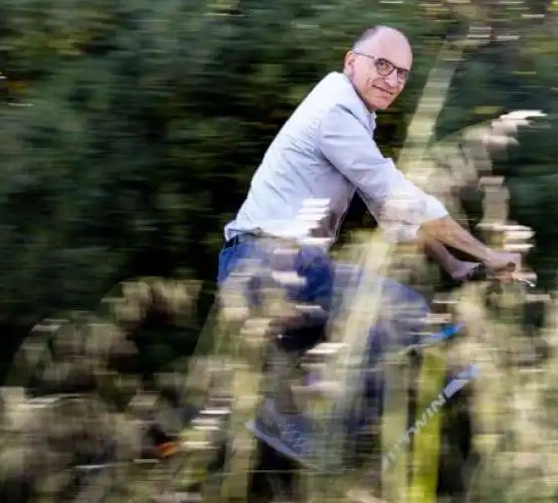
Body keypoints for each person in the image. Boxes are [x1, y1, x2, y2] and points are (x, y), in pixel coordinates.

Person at [217, 25, 519, 462]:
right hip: (271, 265)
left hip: (260, 271)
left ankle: (295, 430)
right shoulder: (335, 112)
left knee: (366, 337)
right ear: (350, 61)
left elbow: (392, 216)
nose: (392, 80)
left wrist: (453, 263)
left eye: (402, 74)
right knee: (403, 313)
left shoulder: (351, 118)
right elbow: (399, 196)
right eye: (382, 65)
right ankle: (338, 436)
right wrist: (487, 253)